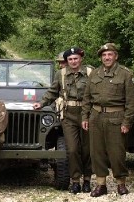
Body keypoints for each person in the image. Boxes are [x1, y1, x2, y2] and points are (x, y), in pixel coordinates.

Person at [81, 43, 134, 197]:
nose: (107, 58)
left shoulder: (126, 74)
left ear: (116, 56)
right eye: (104, 55)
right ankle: (101, 184)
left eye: (110, 54)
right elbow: (86, 98)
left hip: (116, 117)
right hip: (96, 116)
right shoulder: (94, 74)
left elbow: (131, 102)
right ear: (101, 57)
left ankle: (121, 183)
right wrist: (84, 117)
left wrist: (127, 122)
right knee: (96, 152)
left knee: (117, 152)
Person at [35, 47, 93, 193]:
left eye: (76, 58)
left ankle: (87, 179)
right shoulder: (60, 74)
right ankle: (75, 181)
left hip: (87, 114)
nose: (73, 61)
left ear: (81, 59)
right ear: (66, 61)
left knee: (87, 149)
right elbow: (52, 92)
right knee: (72, 149)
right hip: (69, 115)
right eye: (70, 59)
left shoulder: (91, 72)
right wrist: (41, 103)